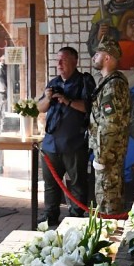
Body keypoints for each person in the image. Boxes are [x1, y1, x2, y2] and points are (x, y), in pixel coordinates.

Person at [37, 46, 95, 227]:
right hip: (51, 144)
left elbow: (90, 107)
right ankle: (50, 216)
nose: (59, 64)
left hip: (74, 143)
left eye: (64, 60)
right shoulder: (53, 83)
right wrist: (47, 98)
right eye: (58, 60)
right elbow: (40, 108)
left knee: (77, 184)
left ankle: (75, 218)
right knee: (50, 184)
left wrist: (67, 101)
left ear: (75, 61)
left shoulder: (84, 81)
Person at [89, 38, 130, 215]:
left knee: (108, 200)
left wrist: (101, 156)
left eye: (98, 53)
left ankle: (110, 230)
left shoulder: (112, 86)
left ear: (107, 57)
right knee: (106, 197)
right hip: (108, 153)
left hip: (108, 155)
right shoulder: (108, 82)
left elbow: (109, 125)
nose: (94, 57)